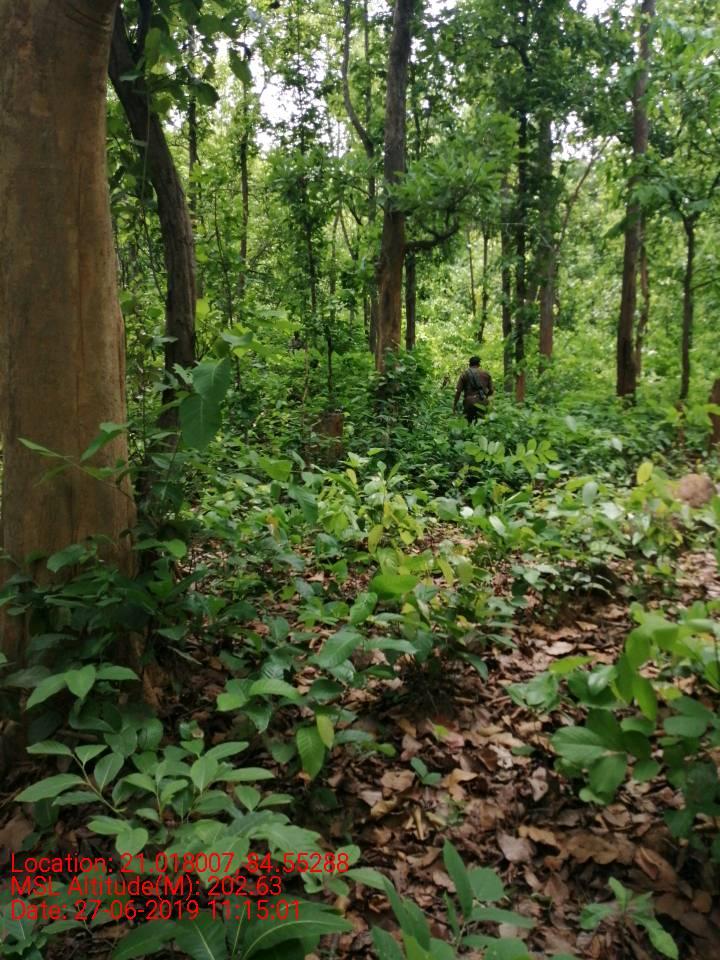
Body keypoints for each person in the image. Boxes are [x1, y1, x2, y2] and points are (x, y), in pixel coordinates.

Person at [453, 356, 493, 424]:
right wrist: (486, 397)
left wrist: (455, 405)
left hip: (469, 402)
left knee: (467, 424)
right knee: (481, 425)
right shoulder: (486, 374)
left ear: (469, 364)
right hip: (482, 402)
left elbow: (458, 391)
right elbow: (491, 390)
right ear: (479, 364)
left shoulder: (464, 374)